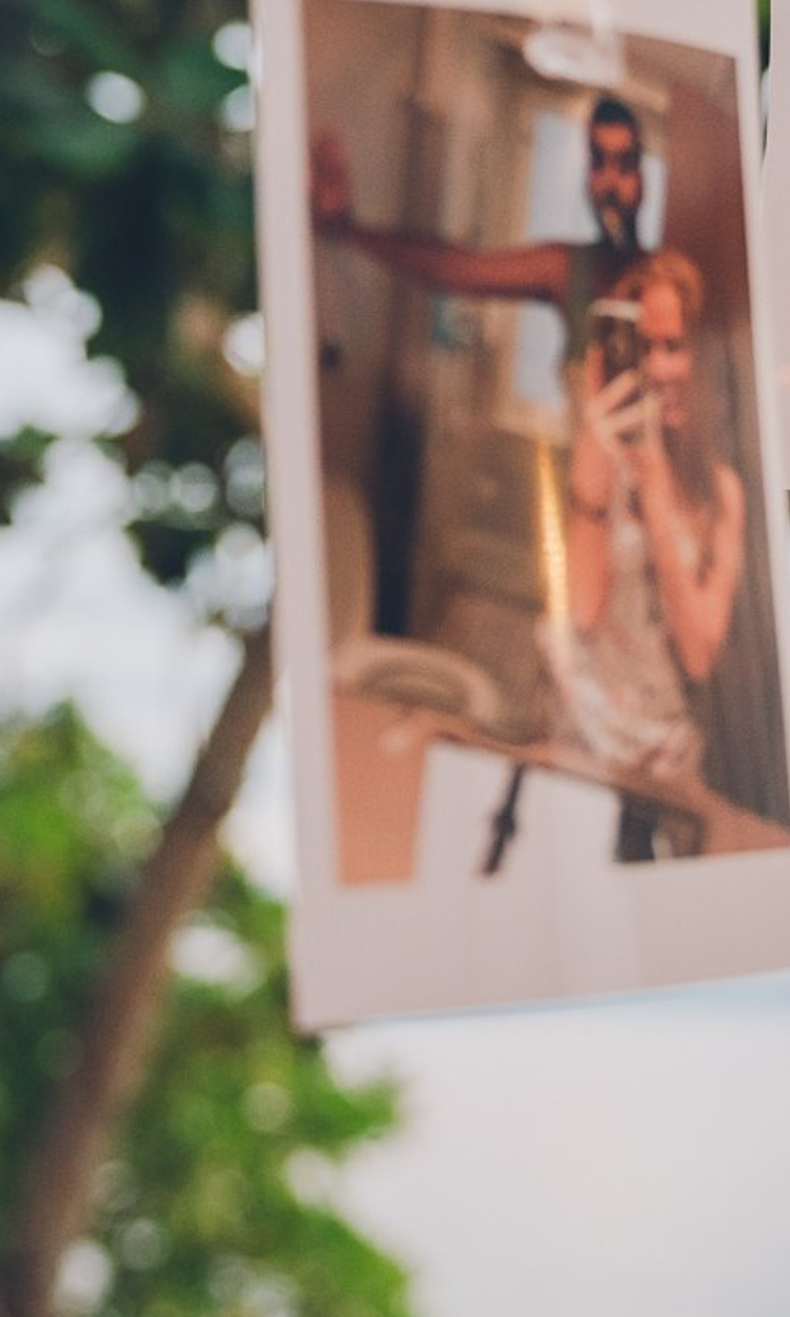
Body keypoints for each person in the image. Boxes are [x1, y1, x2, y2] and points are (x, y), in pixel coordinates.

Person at [550, 251, 745, 818]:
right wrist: (596, 461)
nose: (659, 370)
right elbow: (583, 611)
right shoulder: (594, 455)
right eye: (643, 348)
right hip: (582, 740)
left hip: (666, 758)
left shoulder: (719, 489)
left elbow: (698, 653)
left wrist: (656, 488)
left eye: (674, 346)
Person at [308, 93, 648, 356]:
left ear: (644, 175)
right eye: (598, 162)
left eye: (626, 163)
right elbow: (457, 270)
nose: (610, 183)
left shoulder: (665, 277)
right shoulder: (566, 269)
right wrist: (347, 229)